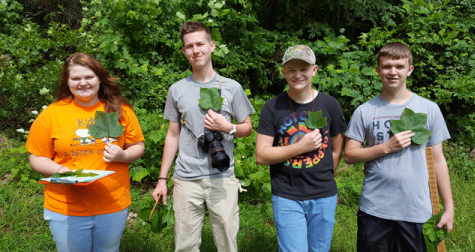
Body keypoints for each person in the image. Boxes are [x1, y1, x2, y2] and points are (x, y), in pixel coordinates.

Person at [151, 21, 255, 252]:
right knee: (185, 245)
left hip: (222, 176)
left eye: (200, 44)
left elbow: (247, 127)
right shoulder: (176, 89)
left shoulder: (232, 87)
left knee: (228, 243)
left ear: (212, 46)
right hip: (186, 178)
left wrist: (228, 127)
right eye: (189, 46)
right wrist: (161, 179)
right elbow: (172, 134)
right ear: (184, 52)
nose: (195, 50)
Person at [25, 52, 145, 252]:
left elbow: (138, 146)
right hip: (65, 206)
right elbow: (36, 157)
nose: (83, 83)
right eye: (76, 78)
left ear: (99, 78)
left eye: (88, 77)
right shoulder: (52, 114)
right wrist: (61, 171)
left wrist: (123, 156)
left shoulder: (120, 110)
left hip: (111, 203)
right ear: (67, 81)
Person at [344, 42, 454, 251]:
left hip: (417, 210)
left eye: (399, 67)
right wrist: (386, 147)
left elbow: (439, 160)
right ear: (377, 70)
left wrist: (449, 207)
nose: (392, 72)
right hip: (374, 210)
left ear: (410, 70)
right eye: (386, 66)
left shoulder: (429, 109)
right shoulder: (365, 111)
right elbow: (349, 155)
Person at [255, 45, 347, 252]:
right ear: (283, 73)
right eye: (292, 70)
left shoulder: (330, 104)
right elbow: (261, 155)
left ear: (314, 70)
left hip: (324, 194)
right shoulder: (272, 107)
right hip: (287, 194)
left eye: (303, 69)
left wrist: (324, 174)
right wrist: (300, 147)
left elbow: (336, 149)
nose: (298, 75)